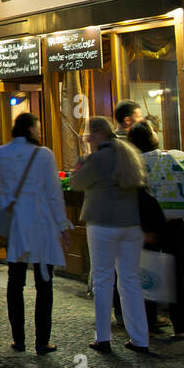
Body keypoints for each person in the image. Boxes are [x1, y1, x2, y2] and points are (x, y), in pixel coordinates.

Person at [70, 116, 151, 355]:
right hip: (131, 225)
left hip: (103, 224)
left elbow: (76, 183)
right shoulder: (128, 154)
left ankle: (103, 338)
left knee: (104, 280)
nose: (87, 138)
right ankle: (140, 339)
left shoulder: (96, 159)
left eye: (88, 133)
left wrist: (79, 165)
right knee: (130, 281)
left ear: (97, 134)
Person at [0, 113, 70, 354]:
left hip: (15, 223)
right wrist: (63, 225)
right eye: (38, 127)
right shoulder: (44, 155)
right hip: (41, 223)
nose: (40, 132)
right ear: (31, 129)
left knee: (15, 281)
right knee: (44, 282)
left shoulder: (1, 154)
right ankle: (42, 340)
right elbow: (54, 193)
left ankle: (18, 339)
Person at [127, 120, 184, 340]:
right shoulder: (167, 158)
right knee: (177, 275)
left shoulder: (133, 164)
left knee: (147, 275)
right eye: (153, 131)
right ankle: (182, 326)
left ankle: (148, 325)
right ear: (149, 137)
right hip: (173, 222)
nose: (157, 133)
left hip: (146, 227)